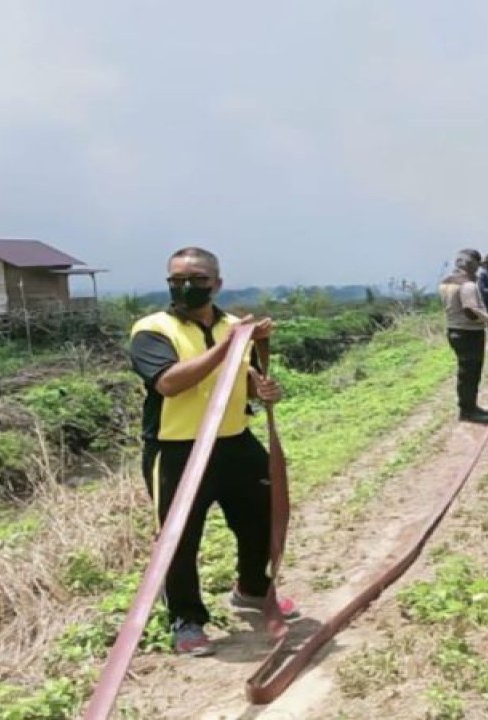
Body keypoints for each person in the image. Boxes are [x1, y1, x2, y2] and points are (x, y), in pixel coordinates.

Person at [129, 246, 301, 657]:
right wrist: (230, 345)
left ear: (216, 283)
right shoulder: (151, 329)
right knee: (180, 538)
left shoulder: (231, 326)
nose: (186, 287)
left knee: (262, 515)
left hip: (234, 442)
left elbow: (238, 382)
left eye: (197, 280)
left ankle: (252, 587)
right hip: (176, 450)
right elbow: (169, 383)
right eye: (177, 280)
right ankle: (186, 619)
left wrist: (260, 388)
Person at [439, 249, 488, 424]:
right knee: (471, 373)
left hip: (453, 330)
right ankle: (468, 411)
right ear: (472, 264)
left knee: (465, 372)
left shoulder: (445, 283)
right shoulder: (468, 285)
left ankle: (470, 406)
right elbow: (470, 310)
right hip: (469, 333)